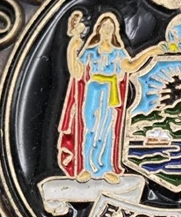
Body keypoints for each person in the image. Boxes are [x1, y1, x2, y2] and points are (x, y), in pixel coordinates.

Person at [56, 11, 131, 182]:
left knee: (107, 129)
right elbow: (76, 72)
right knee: (89, 127)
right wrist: (72, 48)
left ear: (115, 31)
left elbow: (129, 66)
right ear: (99, 29)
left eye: (111, 27)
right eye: (105, 27)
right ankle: (86, 167)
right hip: (93, 90)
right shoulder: (90, 51)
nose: (107, 30)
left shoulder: (118, 52)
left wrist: (151, 52)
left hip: (110, 90)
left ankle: (106, 168)